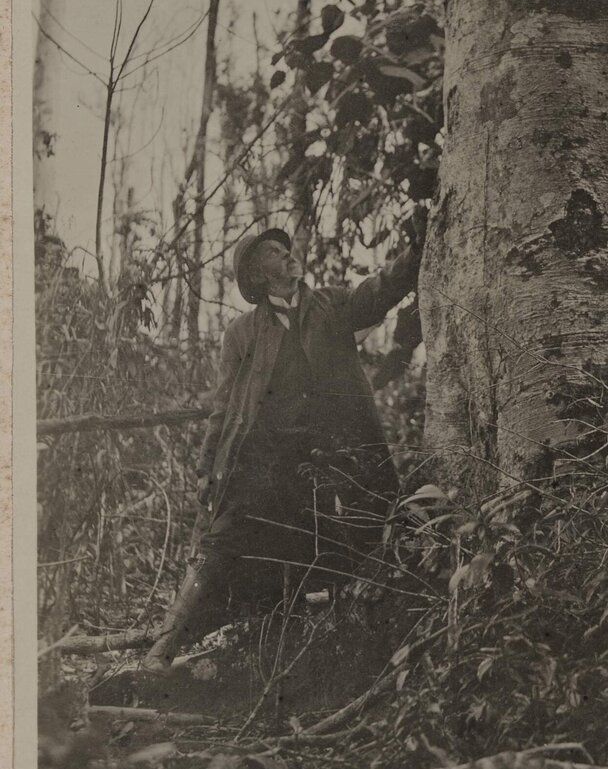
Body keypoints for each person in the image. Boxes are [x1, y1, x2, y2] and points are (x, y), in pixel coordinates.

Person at [141, 213, 426, 674]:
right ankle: (161, 651)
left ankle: (350, 661)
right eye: (274, 251)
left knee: (354, 540)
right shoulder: (241, 334)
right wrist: (206, 468)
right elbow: (223, 407)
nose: (288, 254)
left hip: (335, 451)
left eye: (286, 248)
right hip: (264, 464)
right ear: (256, 274)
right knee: (222, 541)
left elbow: (380, 290)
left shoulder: (332, 305)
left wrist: (415, 250)